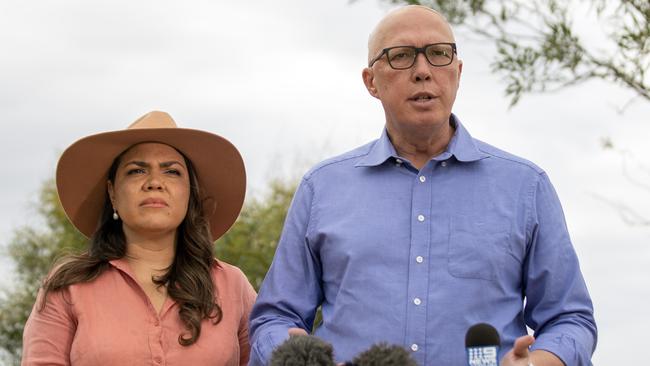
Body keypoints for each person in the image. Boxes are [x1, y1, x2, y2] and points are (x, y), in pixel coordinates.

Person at [248, 5, 596, 366]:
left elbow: (570, 319)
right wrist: (294, 357)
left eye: (438, 54)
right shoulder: (321, 189)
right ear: (371, 81)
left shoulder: (526, 187)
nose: (423, 72)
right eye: (401, 57)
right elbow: (275, 318)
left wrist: (540, 362)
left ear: (458, 72)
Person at [22, 111, 256, 366]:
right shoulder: (67, 287)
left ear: (190, 193)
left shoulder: (233, 285)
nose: (154, 182)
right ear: (112, 193)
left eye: (172, 172)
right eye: (136, 171)